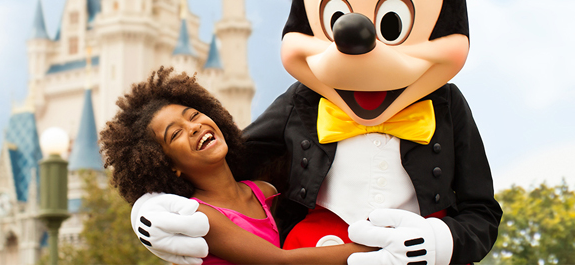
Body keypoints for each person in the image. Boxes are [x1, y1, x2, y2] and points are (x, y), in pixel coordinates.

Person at [100, 67, 375, 264]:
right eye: (175, 134)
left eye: (194, 115)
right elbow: (279, 261)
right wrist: (379, 249)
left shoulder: (264, 192)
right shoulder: (201, 217)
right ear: (167, 164)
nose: (193, 127)